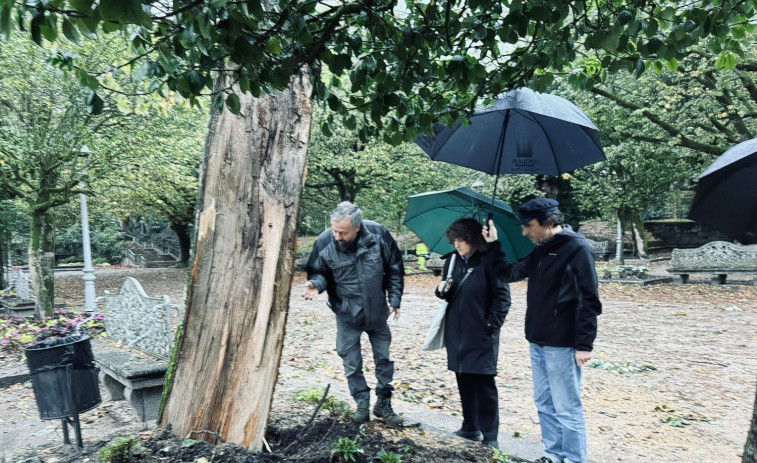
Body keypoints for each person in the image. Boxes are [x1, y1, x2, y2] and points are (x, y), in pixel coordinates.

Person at [484, 198, 601, 463]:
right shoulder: (542, 250)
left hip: (562, 343)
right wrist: (493, 244)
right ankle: (553, 455)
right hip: (537, 341)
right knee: (545, 405)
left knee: (567, 408)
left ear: (549, 222)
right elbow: (507, 273)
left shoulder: (577, 249)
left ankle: (573, 459)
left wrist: (584, 344)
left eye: (528, 226)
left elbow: (588, 300)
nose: (525, 232)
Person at [303, 201, 404, 425]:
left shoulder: (379, 235)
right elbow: (319, 272)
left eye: (342, 232)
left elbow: (395, 267)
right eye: (334, 230)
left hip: (377, 313)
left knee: (384, 358)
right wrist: (315, 285)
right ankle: (361, 403)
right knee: (351, 360)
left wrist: (395, 299)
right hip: (347, 313)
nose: (336, 236)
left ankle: (383, 404)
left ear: (357, 227)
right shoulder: (324, 241)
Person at [435, 218, 510, 449]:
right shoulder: (453, 261)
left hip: (481, 334)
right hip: (457, 333)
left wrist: (489, 327)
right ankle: (470, 427)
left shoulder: (490, 262)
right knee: (463, 378)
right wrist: (441, 290)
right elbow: (447, 291)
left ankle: (490, 436)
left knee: (484, 384)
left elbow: (502, 299)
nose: (457, 244)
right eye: (454, 240)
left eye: (462, 239)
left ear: (474, 239)